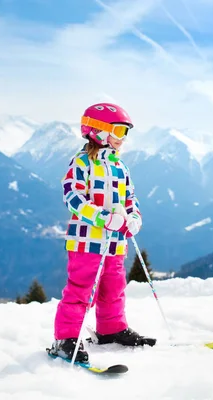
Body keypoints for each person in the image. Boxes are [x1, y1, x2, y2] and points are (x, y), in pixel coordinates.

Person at [47, 103, 156, 364]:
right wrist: (102, 218)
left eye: (125, 133)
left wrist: (134, 218)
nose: (122, 139)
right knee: (81, 290)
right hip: (87, 241)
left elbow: (130, 199)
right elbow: (72, 197)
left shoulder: (121, 168)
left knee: (114, 288)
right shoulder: (82, 162)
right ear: (99, 131)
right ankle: (66, 339)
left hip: (116, 242)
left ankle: (111, 329)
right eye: (118, 131)